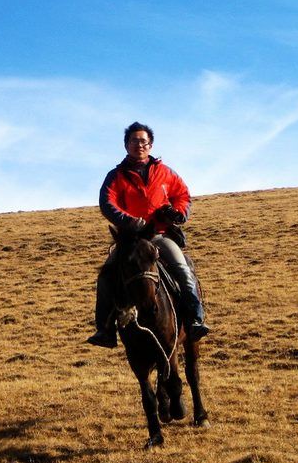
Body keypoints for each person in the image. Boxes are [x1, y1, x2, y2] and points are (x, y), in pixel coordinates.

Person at [87, 121, 210, 348]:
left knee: (183, 269)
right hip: (130, 241)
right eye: (134, 141)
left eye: (143, 141)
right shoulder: (116, 176)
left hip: (159, 235)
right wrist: (128, 221)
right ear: (126, 145)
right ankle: (104, 330)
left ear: (150, 145)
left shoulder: (165, 173)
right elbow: (107, 202)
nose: (139, 145)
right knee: (106, 276)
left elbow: (182, 195)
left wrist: (177, 213)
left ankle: (195, 320)